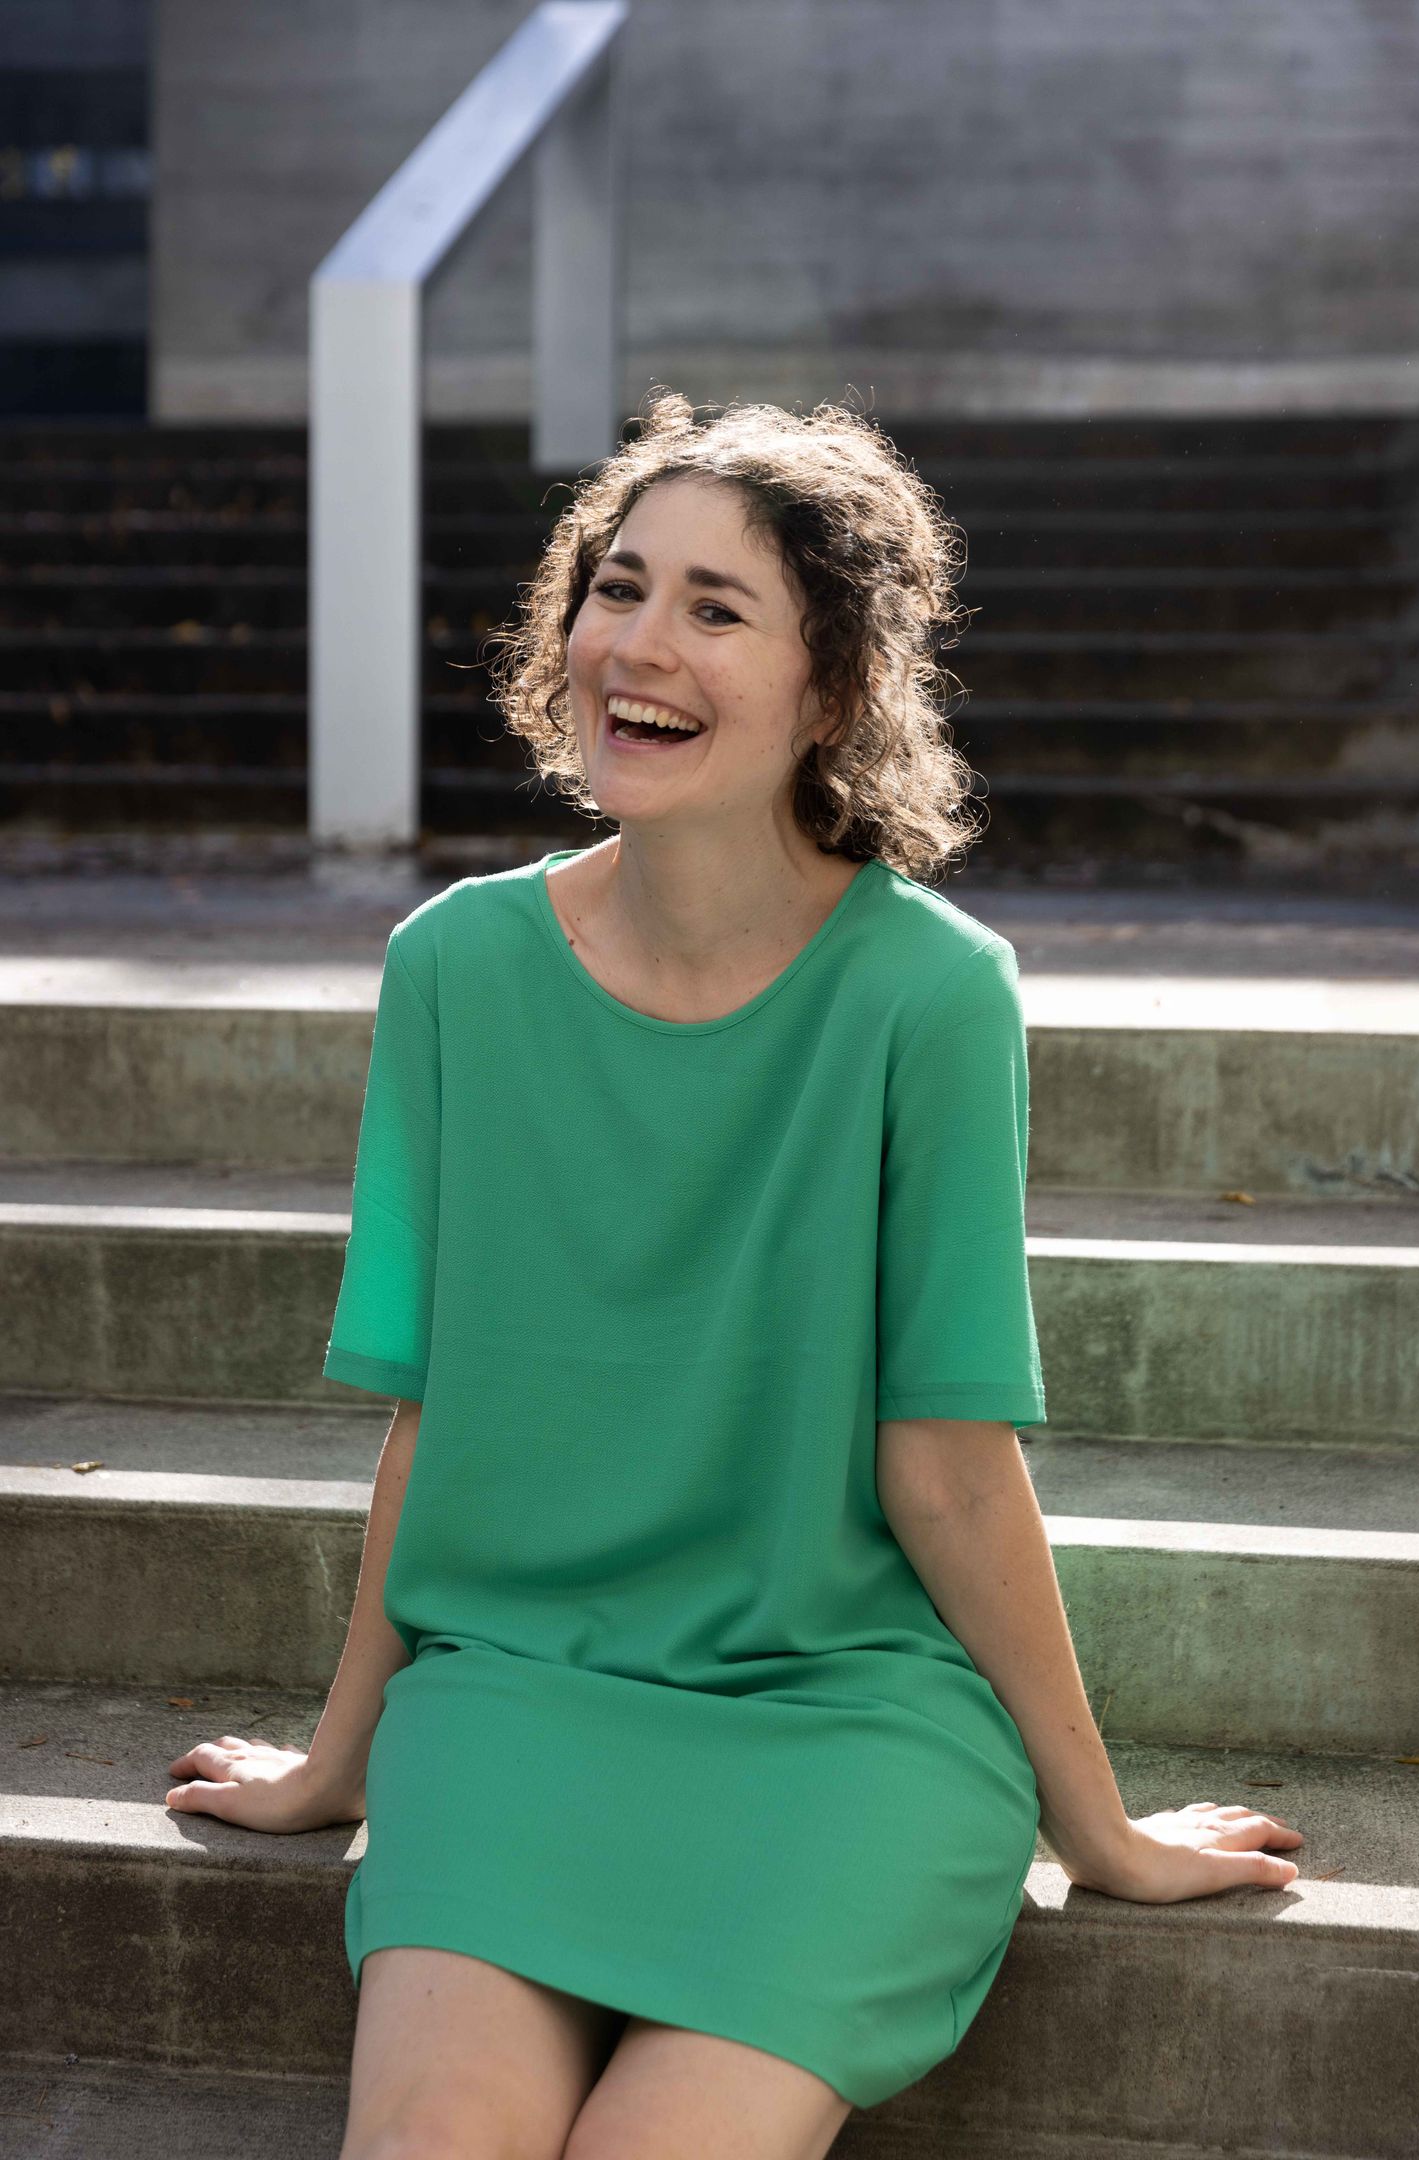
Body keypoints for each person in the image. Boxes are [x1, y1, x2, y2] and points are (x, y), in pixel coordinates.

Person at [163, 390, 1304, 2160]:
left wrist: (1098, 1832)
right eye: (617, 588)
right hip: (520, 1694)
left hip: (841, 1720)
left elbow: (946, 1468)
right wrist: (338, 1762)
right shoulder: (456, 966)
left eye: (715, 607)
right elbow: (441, 1415)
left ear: (833, 688)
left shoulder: (929, 994)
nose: (638, 644)